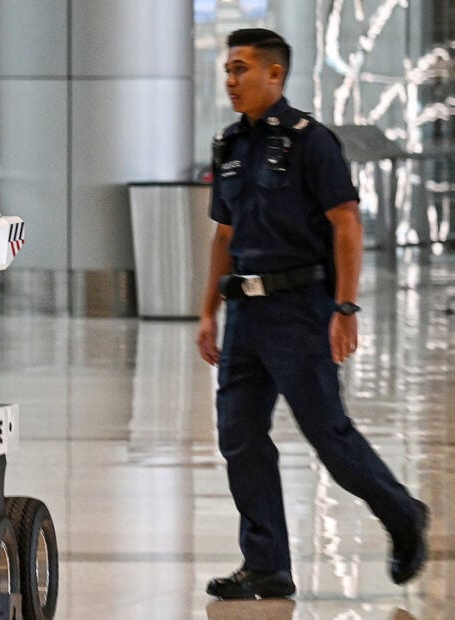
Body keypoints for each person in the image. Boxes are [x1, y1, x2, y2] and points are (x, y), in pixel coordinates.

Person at [197, 28, 428, 600]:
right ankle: (267, 565)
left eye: (242, 69)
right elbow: (224, 234)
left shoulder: (310, 142)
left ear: (275, 75)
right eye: (227, 69)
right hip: (244, 315)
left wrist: (345, 307)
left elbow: (346, 222)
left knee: (328, 436)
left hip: (300, 309)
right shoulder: (227, 145)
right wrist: (207, 313)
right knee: (241, 437)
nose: (231, 80)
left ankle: (403, 514)